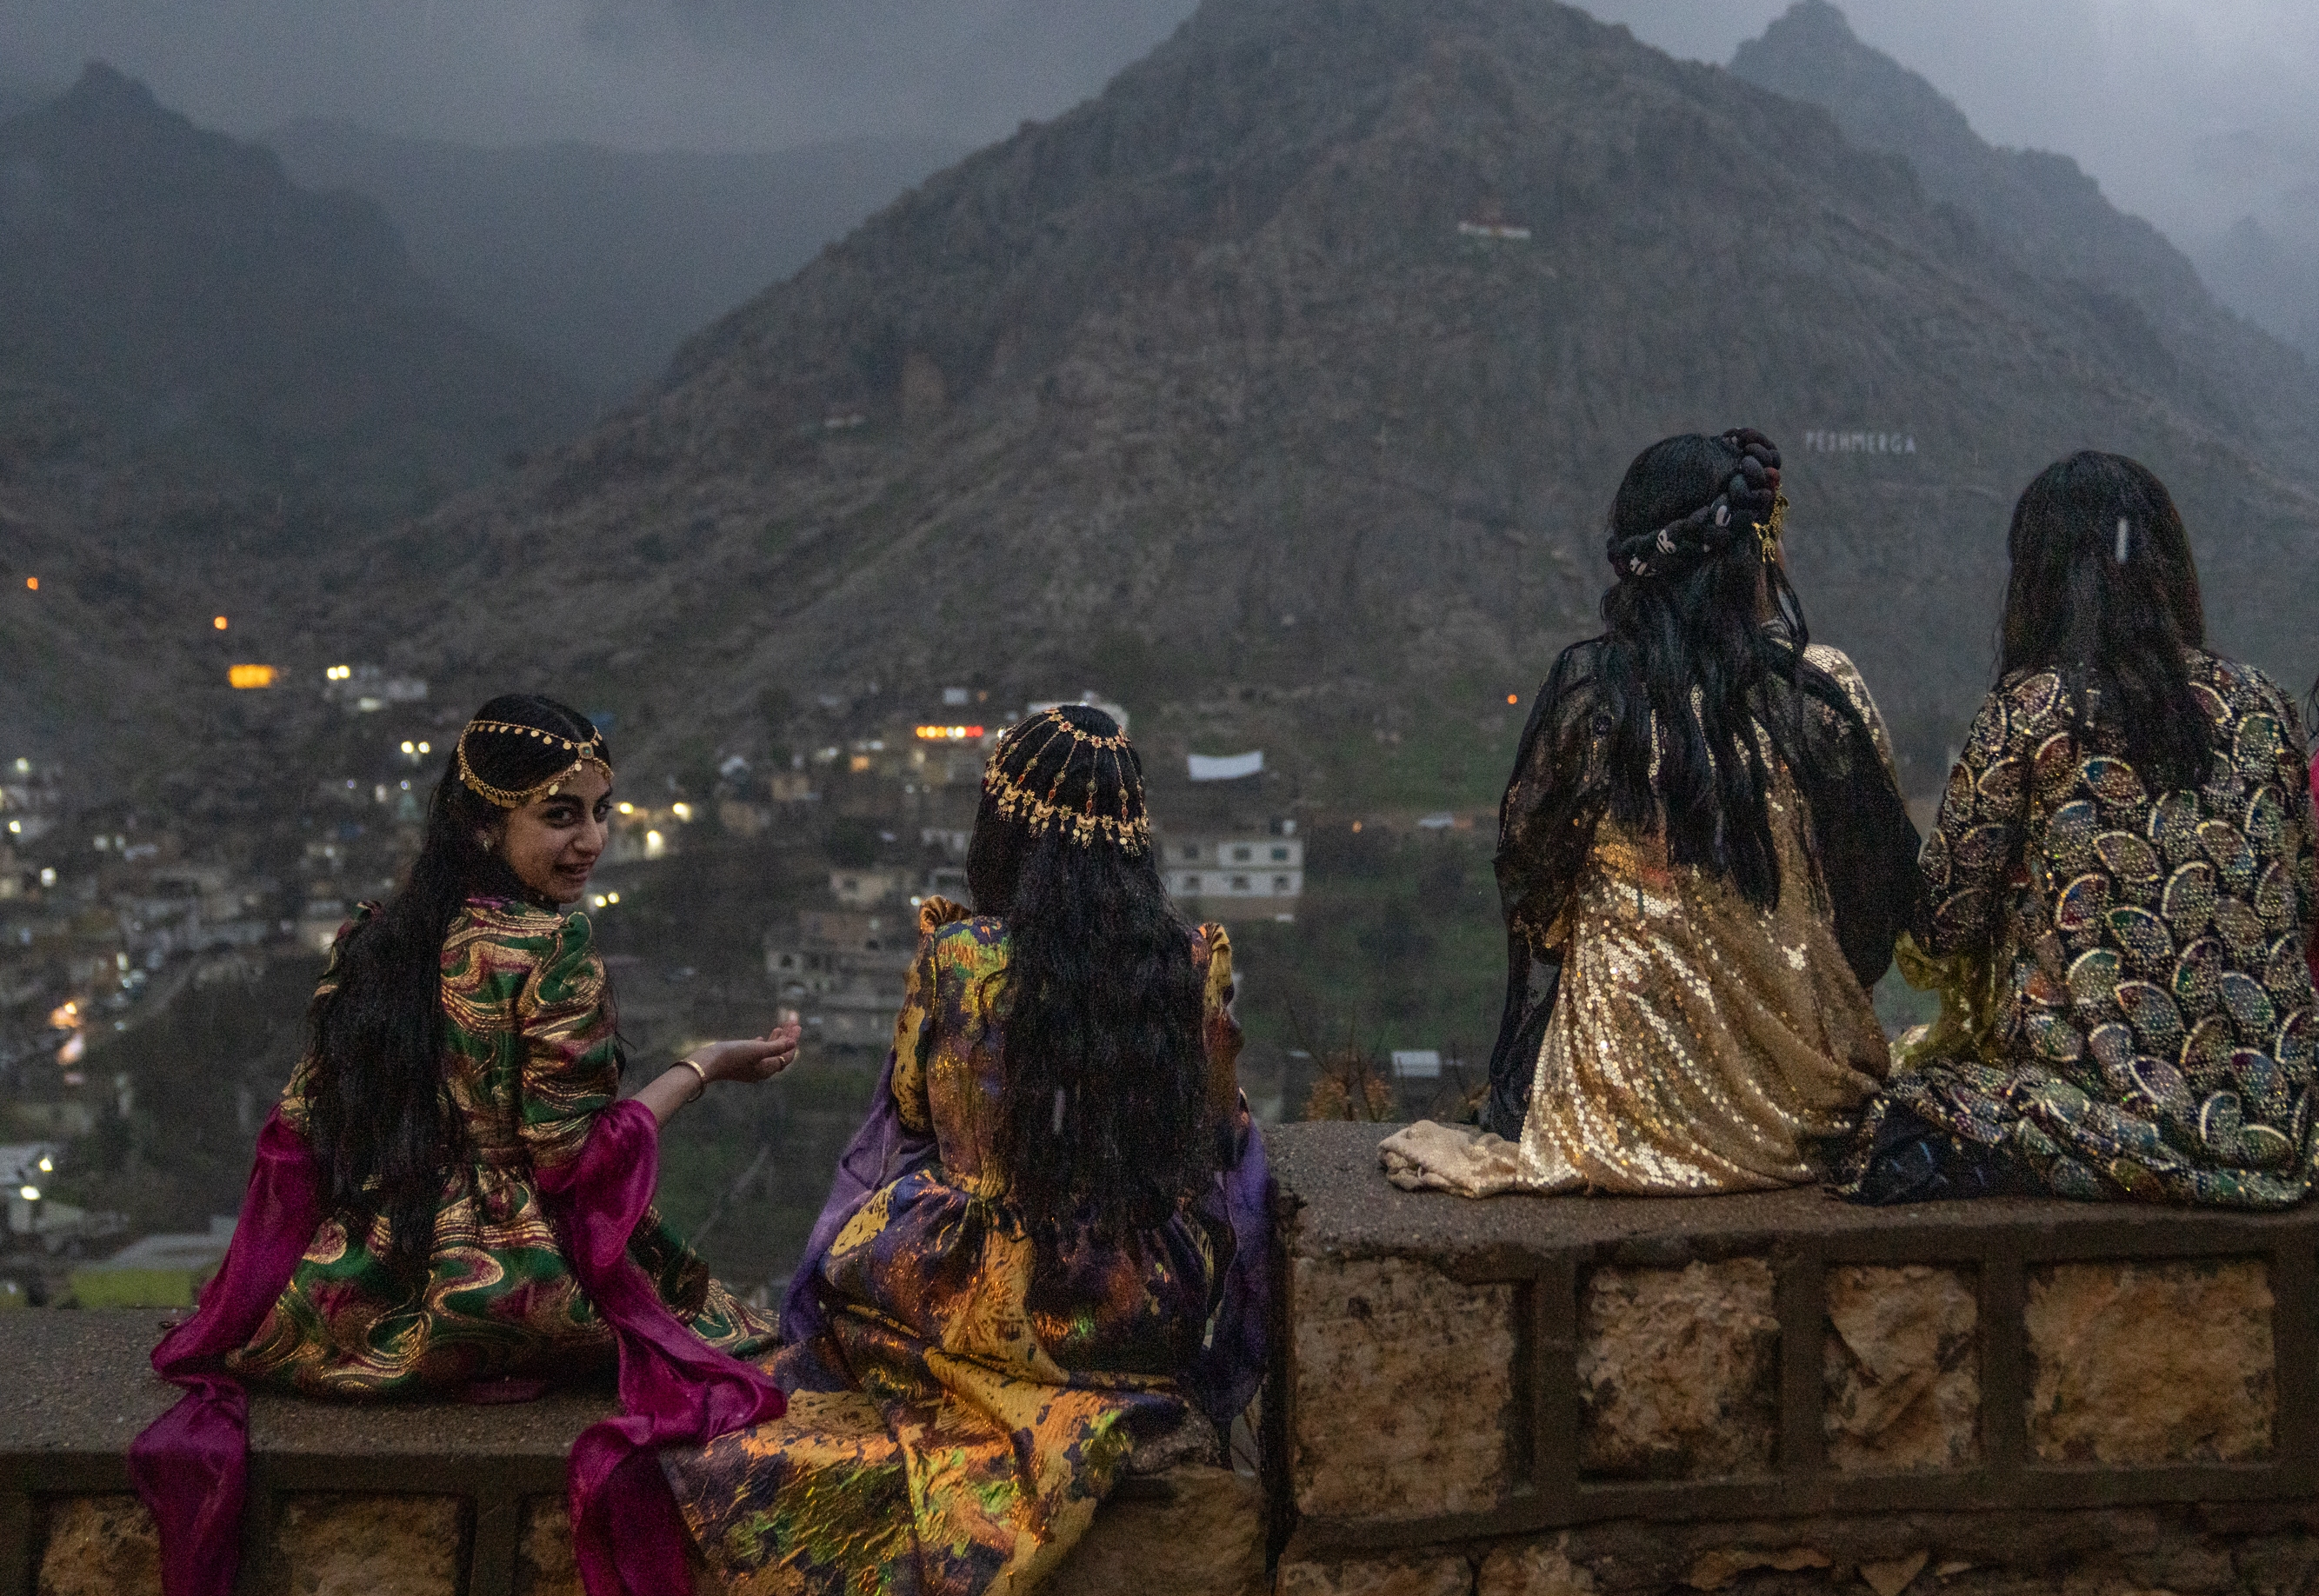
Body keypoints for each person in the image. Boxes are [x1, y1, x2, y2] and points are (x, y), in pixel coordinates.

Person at [133, 695, 800, 1596]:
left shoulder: (374, 937)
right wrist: (704, 1064)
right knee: (728, 1328)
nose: (592, 839)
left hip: (365, 1275)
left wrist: (248, 1292)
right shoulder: (551, 950)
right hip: (499, 1280)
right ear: (486, 823)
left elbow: (301, 1129)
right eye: (560, 814)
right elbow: (576, 1161)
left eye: (602, 811)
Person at [661, 706, 1269, 1596]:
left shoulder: (957, 957)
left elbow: (909, 1108)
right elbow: (1219, 1143)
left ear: (1002, 830)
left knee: (865, 1282)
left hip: (967, 1290)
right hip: (1136, 1300)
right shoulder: (1186, 963)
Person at [1381, 430, 1918, 1196]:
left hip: (1615, 1117)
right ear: (1752, 551)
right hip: (1807, 1116)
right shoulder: (1819, 695)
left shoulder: (1594, 705)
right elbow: (1872, 917)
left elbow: (1535, 901)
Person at [1842, 454, 2318, 1206]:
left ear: (2038, 580)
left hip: (2098, 1117)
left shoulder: (2029, 714)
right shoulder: (2266, 705)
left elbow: (1942, 922)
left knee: (1882, 1124)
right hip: (2283, 1124)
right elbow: (2300, 898)